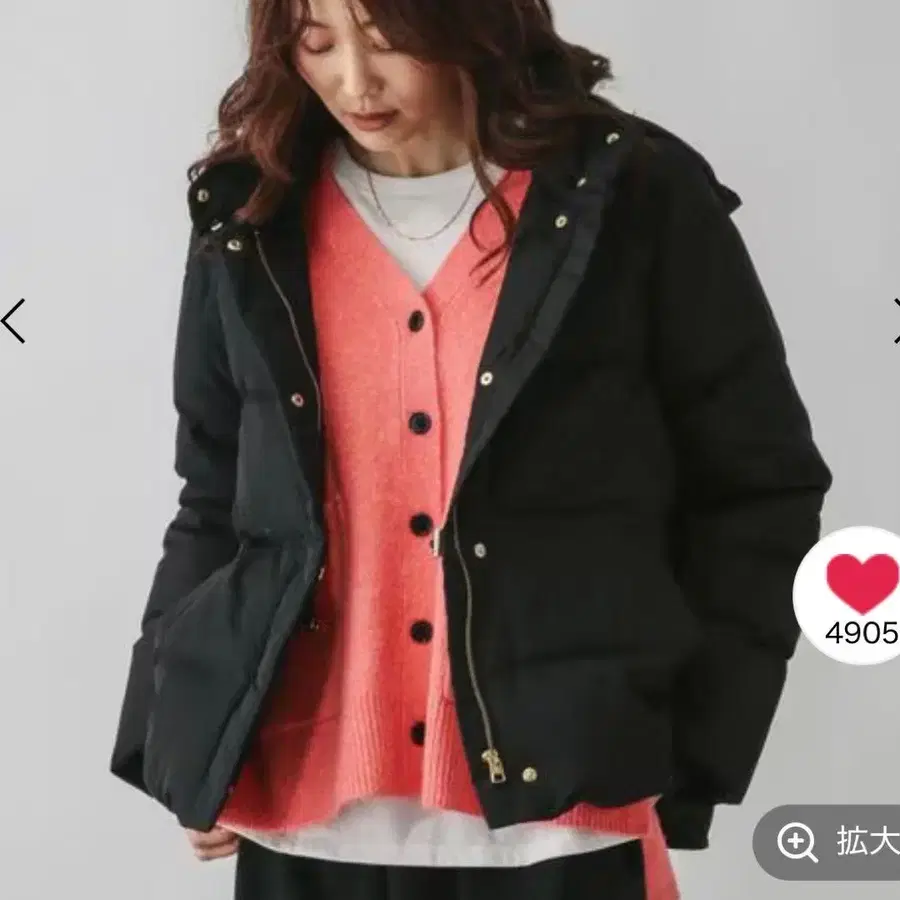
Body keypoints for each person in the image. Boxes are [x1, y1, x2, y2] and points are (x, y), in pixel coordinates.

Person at [108, 0, 834, 897]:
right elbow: (216, 497)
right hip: (304, 823)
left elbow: (759, 488)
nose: (353, 82)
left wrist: (691, 749)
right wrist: (185, 739)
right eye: (316, 43)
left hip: (562, 821)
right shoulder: (252, 212)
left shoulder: (629, 195)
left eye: (388, 41)